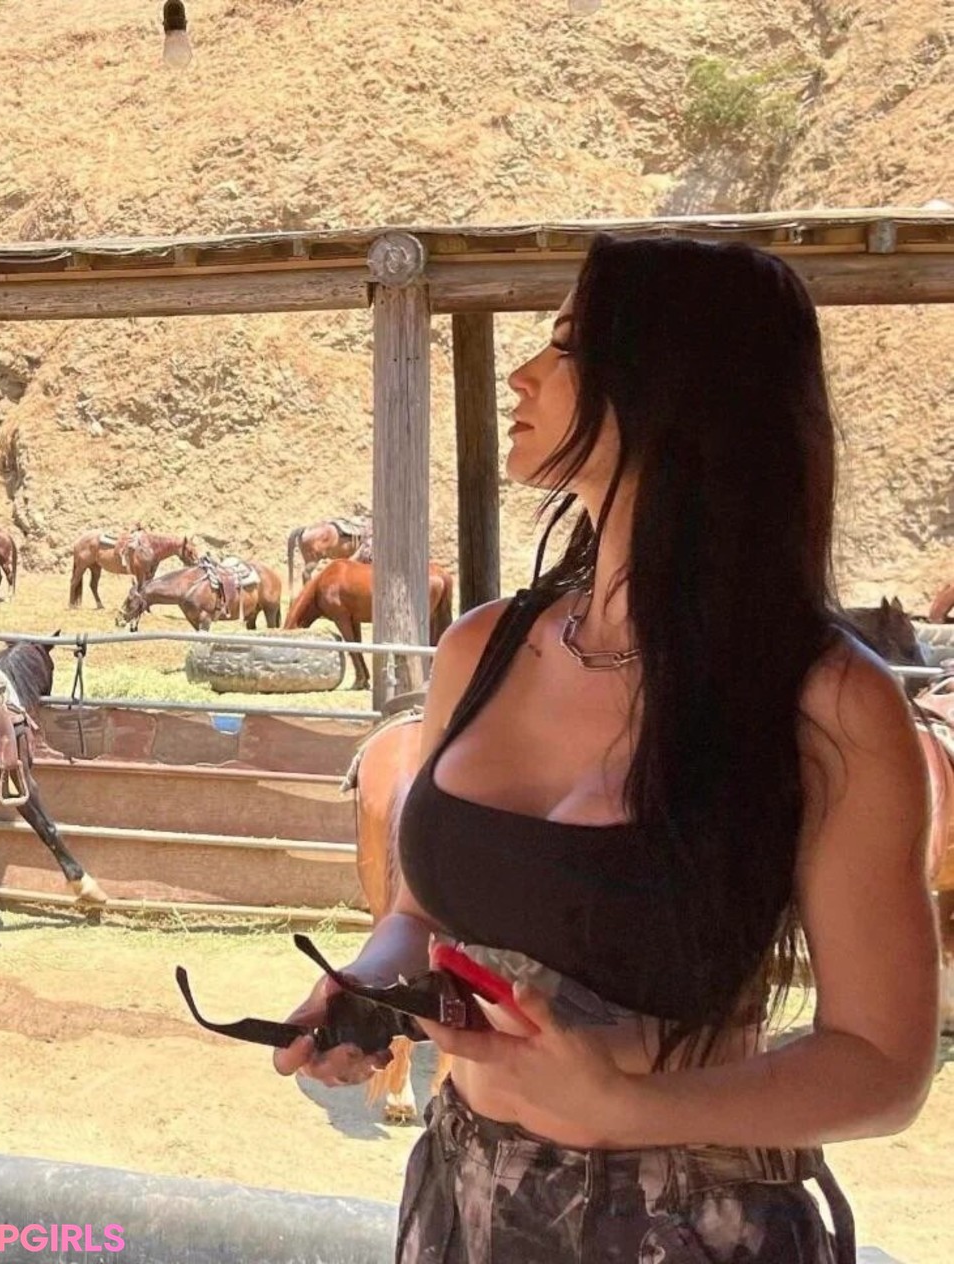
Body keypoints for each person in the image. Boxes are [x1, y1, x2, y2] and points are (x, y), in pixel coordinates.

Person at [274, 235, 939, 1263]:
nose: (525, 374)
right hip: (461, 1196)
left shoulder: (826, 704)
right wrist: (370, 983)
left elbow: (884, 1064)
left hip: (690, 1223)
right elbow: (420, 916)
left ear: (680, 389)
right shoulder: (480, 650)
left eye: (571, 346)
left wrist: (628, 1106)